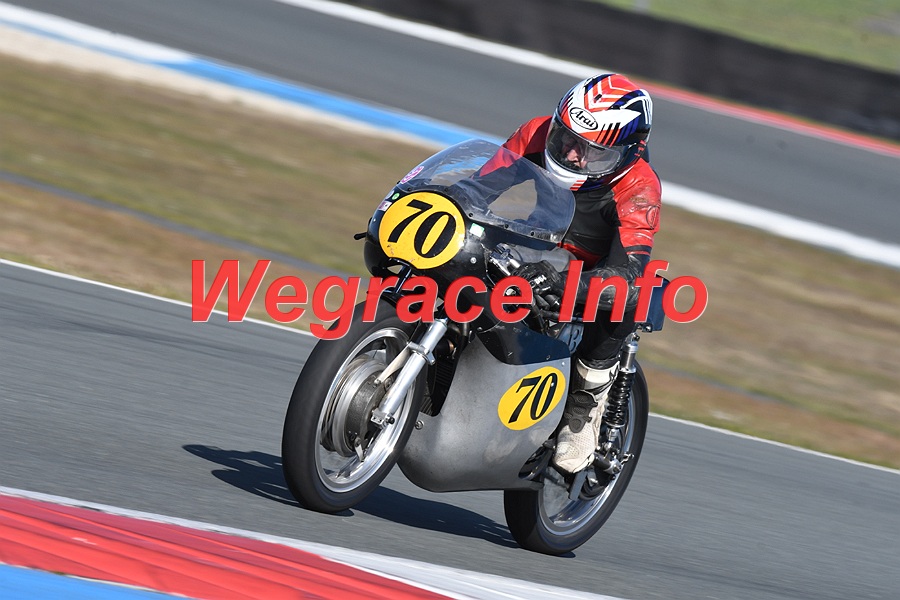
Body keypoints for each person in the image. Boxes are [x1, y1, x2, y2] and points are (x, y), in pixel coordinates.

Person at [500, 73, 662, 474]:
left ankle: (583, 408)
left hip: (591, 271)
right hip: (536, 243)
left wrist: (564, 283)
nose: (572, 156)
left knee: (628, 296)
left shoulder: (639, 187)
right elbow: (479, 185)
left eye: (592, 151)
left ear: (628, 152)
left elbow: (629, 273)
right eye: (567, 139)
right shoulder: (536, 133)